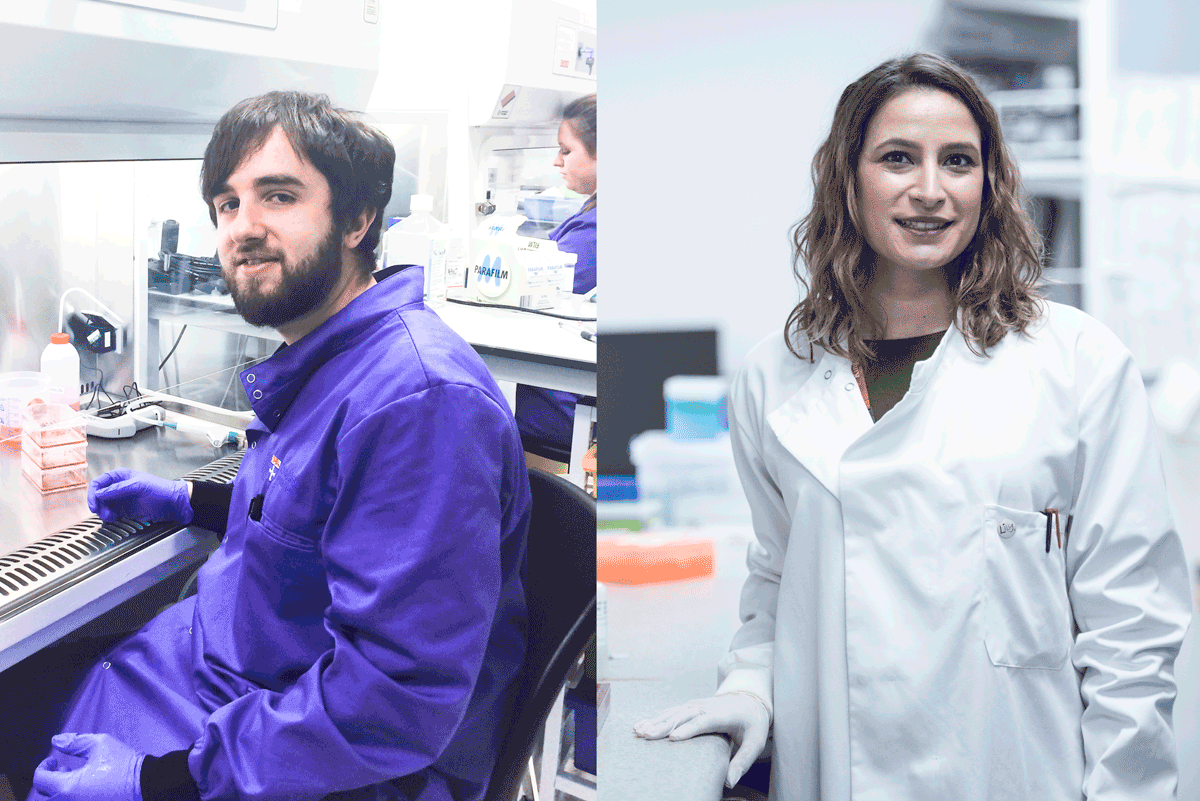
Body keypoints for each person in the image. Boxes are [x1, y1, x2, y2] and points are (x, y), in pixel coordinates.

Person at [634, 53, 1192, 800]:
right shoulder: (776, 375)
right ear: (848, 178)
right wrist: (752, 684)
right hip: (838, 772)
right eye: (898, 158)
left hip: (1013, 772)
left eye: (957, 161)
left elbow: (1133, 626)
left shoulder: (1079, 363)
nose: (930, 190)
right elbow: (775, 576)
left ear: (988, 185)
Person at [11, 91, 531, 801]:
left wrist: (157, 779)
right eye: (227, 204)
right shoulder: (329, 357)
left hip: (307, 756)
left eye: (278, 196)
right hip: (212, 675)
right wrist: (194, 500)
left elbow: (391, 705)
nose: (242, 229)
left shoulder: (419, 401)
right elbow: (325, 527)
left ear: (356, 219)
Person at [515, 93, 596, 470]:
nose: (556, 161)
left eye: (567, 151)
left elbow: (538, 281)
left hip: (564, 410)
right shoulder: (593, 211)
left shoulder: (596, 231)